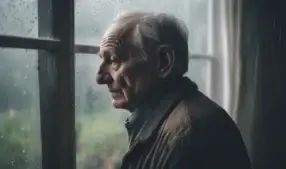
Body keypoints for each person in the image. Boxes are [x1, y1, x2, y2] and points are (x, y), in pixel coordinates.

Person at [96, 11, 252, 169]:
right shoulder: (178, 122)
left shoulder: (189, 135)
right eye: (102, 60)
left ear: (164, 62)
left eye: (114, 60)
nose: (100, 78)